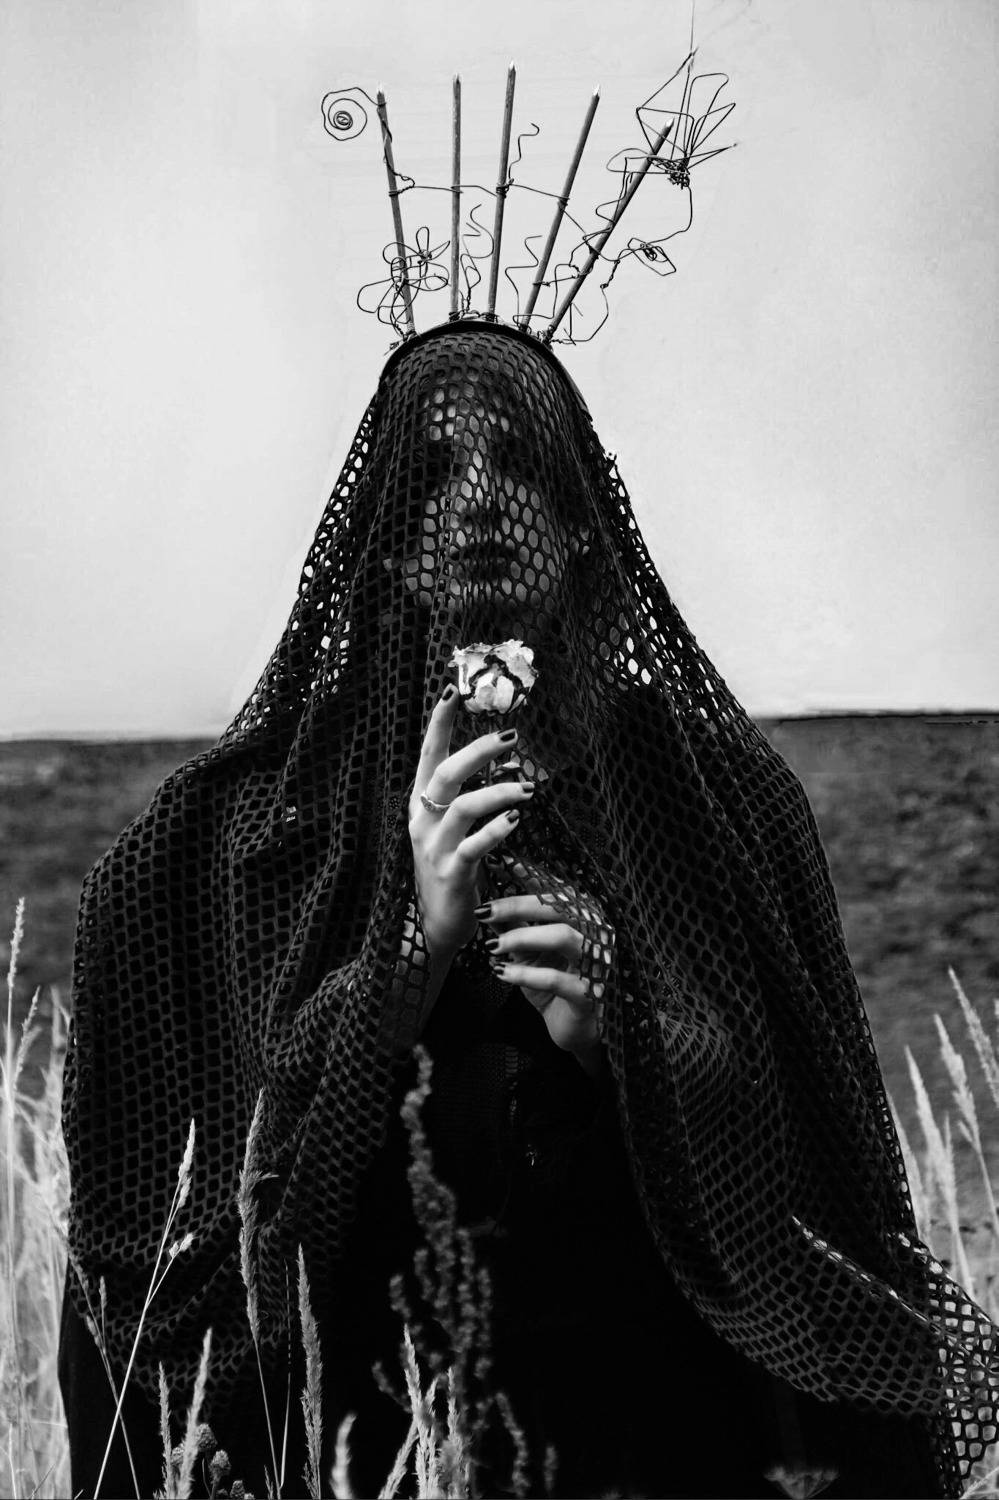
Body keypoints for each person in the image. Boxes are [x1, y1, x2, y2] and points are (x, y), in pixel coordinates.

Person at [60, 319, 997, 1498]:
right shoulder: (247, 830)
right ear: (383, 538)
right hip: (372, 1437)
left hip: (649, 1435)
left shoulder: (717, 804)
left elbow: (812, 1154)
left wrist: (624, 1033)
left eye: (518, 465)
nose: (480, 503)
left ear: (581, 520)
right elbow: (184, 1217)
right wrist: (408, 953)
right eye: (434, 473)